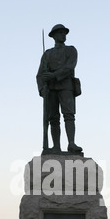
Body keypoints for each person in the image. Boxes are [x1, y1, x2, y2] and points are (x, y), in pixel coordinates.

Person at [36, 24, 83, 154]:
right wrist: (41, 89)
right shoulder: (47, 54)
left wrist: (54, 75)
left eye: (64, 33)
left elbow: (69, 67)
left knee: (69, 115)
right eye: (60, 33)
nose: (63, 35)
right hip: (51, 88)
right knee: (53, 118)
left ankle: (71, 143)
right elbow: (40, 74)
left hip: (66, 85)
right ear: (54, 36)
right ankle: (56, 146)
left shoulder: (71, 50)